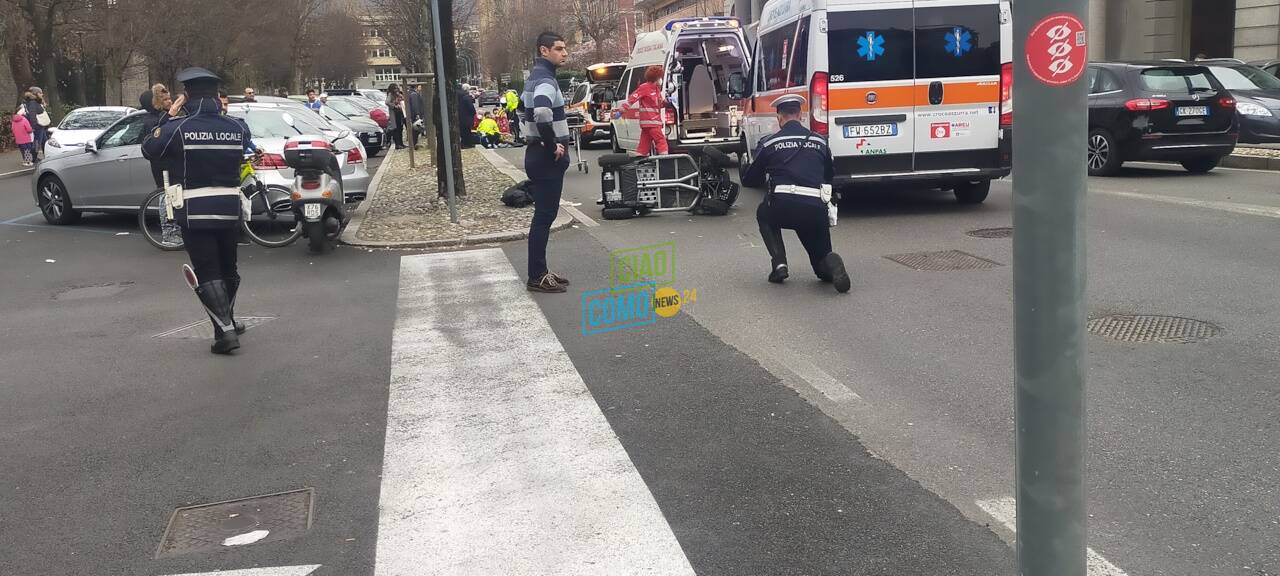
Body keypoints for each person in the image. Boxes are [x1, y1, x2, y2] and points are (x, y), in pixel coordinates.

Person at [142, 67, 253, 354]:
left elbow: (150, 148)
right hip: (230, 209)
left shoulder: (178, 128)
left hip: (195, 211)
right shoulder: (238, 127)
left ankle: (225, 331)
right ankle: (227, 319)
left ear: (187, 96)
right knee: (229, 268)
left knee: (207, 270)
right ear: (217, 96)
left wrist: (169, 115)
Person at [741, 94, 850, 294]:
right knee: (821, 267)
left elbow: (749, 180)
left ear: (779, 117)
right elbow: (829, 176)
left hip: (783, 206)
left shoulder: (769, 143)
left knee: (763, 213)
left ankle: (779, 264)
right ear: (800, 115)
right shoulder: (820, 142)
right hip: (815, 209)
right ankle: (831, 263)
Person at [521, 31, 573, 293]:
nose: (565, 53)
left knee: (544, 216)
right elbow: (541, 111)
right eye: (559, 49)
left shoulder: (535, 76)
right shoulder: (545, 79)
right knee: (544, 217)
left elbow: (524, 111)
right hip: (546, 157)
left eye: (565, 49)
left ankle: (539, 271)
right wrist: (552, 144)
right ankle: (537, 276)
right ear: (544, 50)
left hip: (537, 154)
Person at [620, 65, 668, 156]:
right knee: (661, 141)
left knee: (644, 145)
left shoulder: (657, 90)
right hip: (652, 122)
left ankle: (639, 161)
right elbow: (633, 98)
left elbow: (659, 104)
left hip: (650, 123)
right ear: (656, 77)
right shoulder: (645, 87)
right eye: (660, 77)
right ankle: (665, 161)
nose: (661, 79)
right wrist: (623, 109)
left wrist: (666, 103)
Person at [139, 84, 173, 189]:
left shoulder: (168, 115)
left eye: (169, 98)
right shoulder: (153, 120)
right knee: (164, 192)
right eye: (165, 99)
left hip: (172, 163)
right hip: (161, 164)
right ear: (158, 102)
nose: (169, 101)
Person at [20, 91, 48, 162]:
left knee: (44, 141)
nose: (42, 94)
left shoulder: (35, 102)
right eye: (40, 93)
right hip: (38, 126)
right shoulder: (33, 103)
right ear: (36, 94)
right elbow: (32, 116)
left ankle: (47, 156)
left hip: (41, 125)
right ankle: (34, 158)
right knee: (37, 142)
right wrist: (34, 126)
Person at [385, 83, 406, 149]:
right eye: (395, 88)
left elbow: (402, 99)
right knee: (396, 129)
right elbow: (387, 102)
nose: (396, 89)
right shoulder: (390, 94)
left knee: (400, 128)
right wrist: (394, 106)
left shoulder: (398, 94)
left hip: (400, 113)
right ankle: (397, 144)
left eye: (397, 88)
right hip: (394, 113)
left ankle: (401, 143)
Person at [457, 84, 476, 148]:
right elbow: (471, 107)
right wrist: (473, 113)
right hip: (467, 117)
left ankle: (464, 143)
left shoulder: (457, 96)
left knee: (463, 131)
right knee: (467, 131)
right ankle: (468, 143)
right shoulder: (466, 97)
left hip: (460, 116)